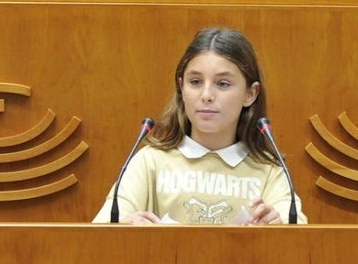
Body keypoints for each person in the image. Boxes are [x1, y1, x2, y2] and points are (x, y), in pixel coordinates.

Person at [93, 27, 308, 225]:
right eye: (195, 82)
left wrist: (277, 224)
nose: (206, 95)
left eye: (222, 84)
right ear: (181, 88)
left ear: (250, 94)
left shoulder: (270, 170)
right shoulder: (150, 161)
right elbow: (102, 232)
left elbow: (299, 238)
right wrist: (126, 225)